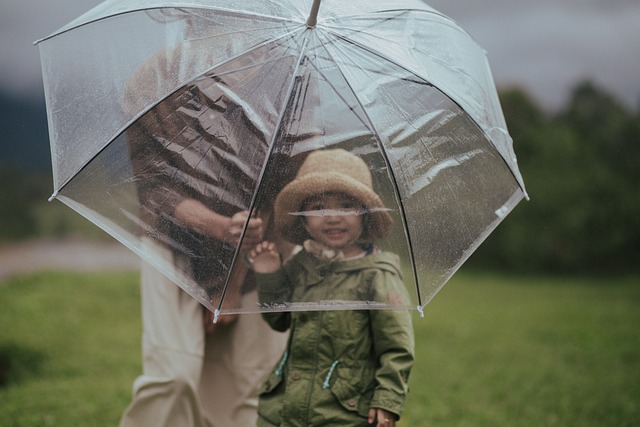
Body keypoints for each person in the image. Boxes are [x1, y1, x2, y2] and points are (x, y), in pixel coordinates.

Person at [117, 34, 290, 426]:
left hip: (263, 249)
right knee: (173, 377)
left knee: (241, 389)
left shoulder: (288, 78)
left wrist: (231, 283)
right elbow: (155, 186)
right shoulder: (154, 77)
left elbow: (283, 184)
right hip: (173, 239)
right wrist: (218, 227)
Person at [249, 149, 415, 427]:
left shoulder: (376, 275)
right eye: (319, 208)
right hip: (285, 405)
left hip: (342, 411)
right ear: (304, 219)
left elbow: (396, 347)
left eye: (346, 206)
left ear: (365, 215)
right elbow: (278, 319)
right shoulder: (301, 263)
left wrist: (387, 399)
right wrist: (269, 275)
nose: (333, 217)